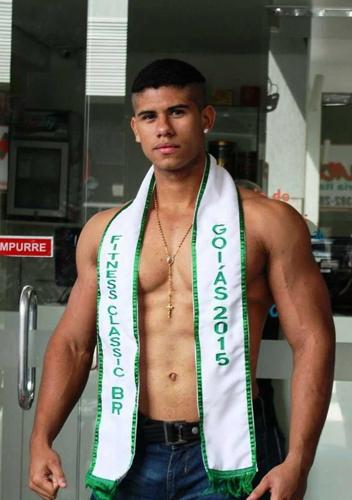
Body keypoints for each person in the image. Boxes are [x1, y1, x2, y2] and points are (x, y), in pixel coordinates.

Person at [29, 59, 335, 500]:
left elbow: (313, 339)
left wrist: (299, 461)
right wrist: (42, 438)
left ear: (205, 118)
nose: (163, 129)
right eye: (149, 117)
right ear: (135, 128)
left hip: (228, 454)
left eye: (178, 112)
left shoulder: (267, 223)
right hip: (129, 454)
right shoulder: (106, 232)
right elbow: (74, 344)